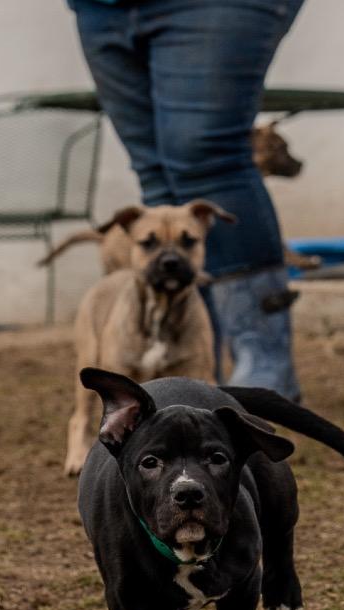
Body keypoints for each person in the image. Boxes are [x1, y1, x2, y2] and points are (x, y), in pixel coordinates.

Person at [65, 0, 305, 400]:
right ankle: (192, 377)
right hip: (102, 8)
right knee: (156, 173)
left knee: (209, 157)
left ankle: (262, 363)